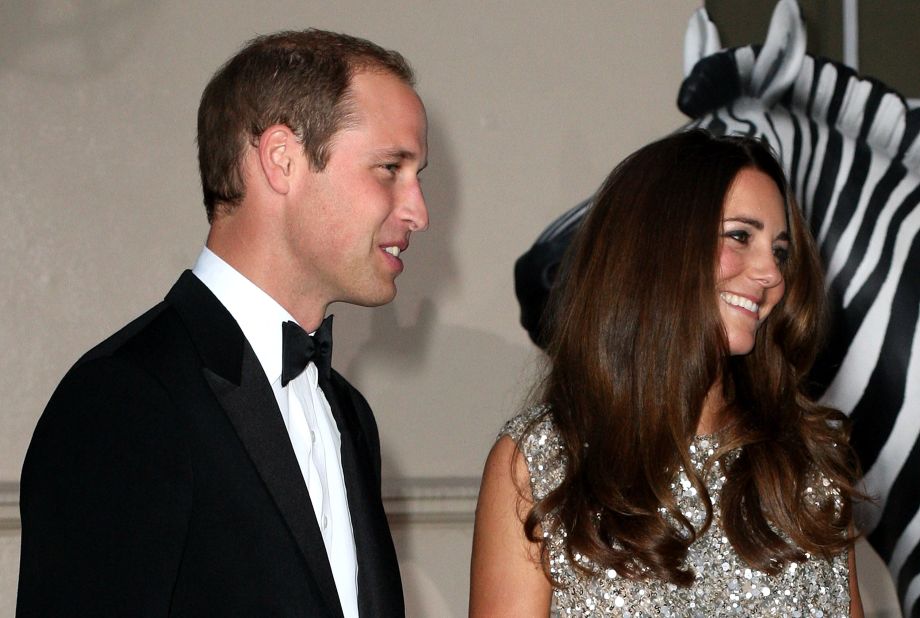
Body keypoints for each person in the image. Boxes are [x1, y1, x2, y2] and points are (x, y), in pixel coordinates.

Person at [18, 29, 427, 617]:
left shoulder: (347, 412)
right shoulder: (125, 398)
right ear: (281, 160)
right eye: (390, 168)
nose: (418, 210)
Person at [470, 130, 864, 616]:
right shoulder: (543, 463)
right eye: (741, 236)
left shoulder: (809, 460)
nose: (772, 274)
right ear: (659, 250)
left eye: (780, 251)